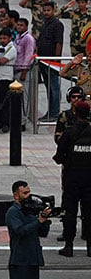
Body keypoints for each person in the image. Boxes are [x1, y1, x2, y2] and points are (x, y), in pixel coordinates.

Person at [53, 100, 91, 258]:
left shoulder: (69, 132)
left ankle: (68, 245)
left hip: (72, 178)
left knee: (70, 213)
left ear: (75, 113)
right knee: (89, 213)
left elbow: (59, 156)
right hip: (89, 179)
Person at [6, 180, 51, 278]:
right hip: (20, 261)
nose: (29, 196)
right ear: (16, 195)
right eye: (25, 193)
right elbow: (20, 231)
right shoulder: (13, 212)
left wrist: (45, 220)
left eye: (29, 192)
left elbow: (43, 233)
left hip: (33, 259)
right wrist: (38, 221)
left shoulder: (31, 210)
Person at [35, 1, 63, 122]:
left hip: (52, 61)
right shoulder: (45, 23)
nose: (46, 13)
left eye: (48, 10)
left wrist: (56, 59)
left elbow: (59, 42)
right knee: (48, 87)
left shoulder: (57, 24)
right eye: (45, 10)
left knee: (54, 87)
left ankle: (55, 113)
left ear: (54, 10)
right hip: (43, 60)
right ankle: (50, 112)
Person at [14, 18, 36, 129]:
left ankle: (23, 121)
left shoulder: (28, 39)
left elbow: (28, 56)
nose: (19, 27)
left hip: (24, 72)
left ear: (26, 26)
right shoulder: (18, 38)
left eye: (21, 25)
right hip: (16, 70)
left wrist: (24, 71)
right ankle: (17, 119)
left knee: (24, 97)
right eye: (18, 25)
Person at [0, 28, 18, 133]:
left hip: (6, 78)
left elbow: (2, 61)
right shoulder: (0, 48)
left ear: (9, 38)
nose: (2, 40)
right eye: (1, 38)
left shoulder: (11, 49)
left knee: (5, 103)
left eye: (4, 38)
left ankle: (6, 124)